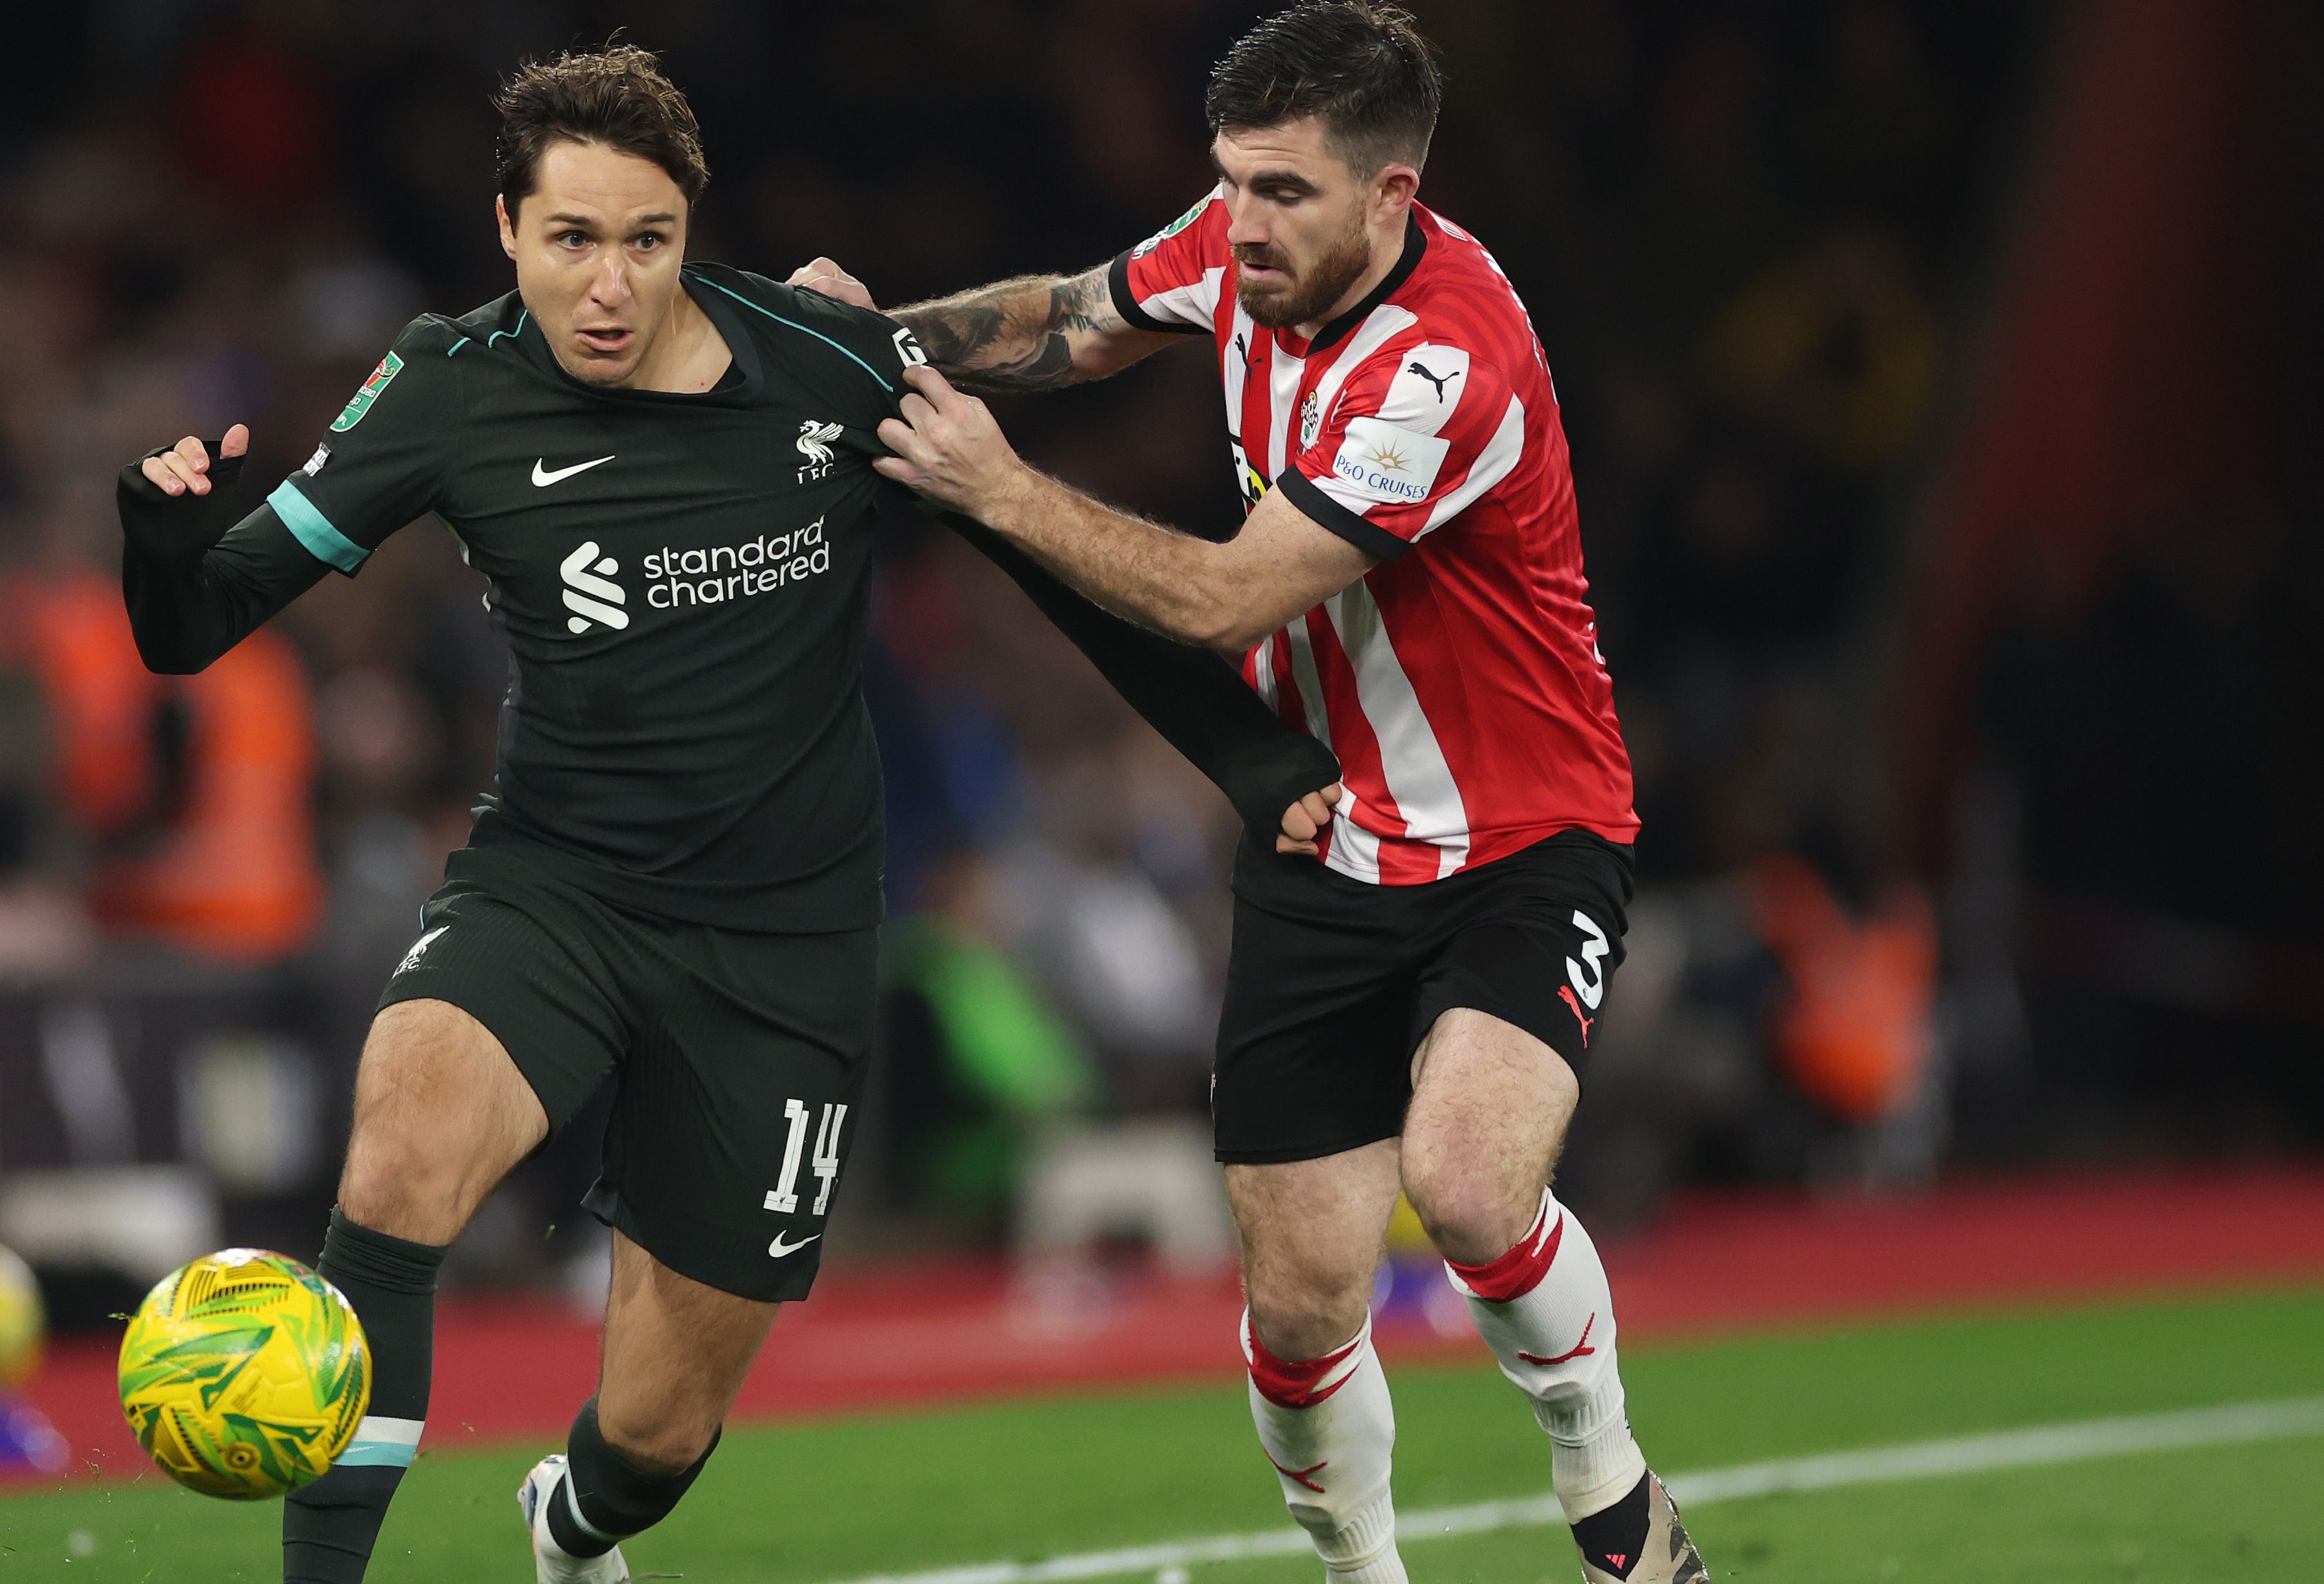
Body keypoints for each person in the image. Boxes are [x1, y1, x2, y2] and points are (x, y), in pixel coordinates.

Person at [116, 46, 1337, 1584]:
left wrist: (1245, 759)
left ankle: (571, 1528)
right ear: (507, 229)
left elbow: (1041, 570)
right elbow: (194, 622)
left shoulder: (825, 363)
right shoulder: (444, 384)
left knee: (654, 1436)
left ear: (691, 232)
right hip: (553, 891)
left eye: (646, 239)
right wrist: (161, 545)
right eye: (571, 240)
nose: (610, 282)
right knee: (398, 1157)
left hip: (782, 948)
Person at [792, 5, 1705, 1581]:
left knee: (1471, 1184)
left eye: (1284, 190)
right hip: (1320, 832)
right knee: (1294, 1306)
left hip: (1522, 830)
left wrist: (999, 488)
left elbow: (1227, 602)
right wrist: (874, 340)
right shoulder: (1235, 240)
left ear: (1391, 195)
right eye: (1230, 181)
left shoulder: (1441, 364)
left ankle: (1606, 1481)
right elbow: (1074, 318)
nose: (1243, 221)